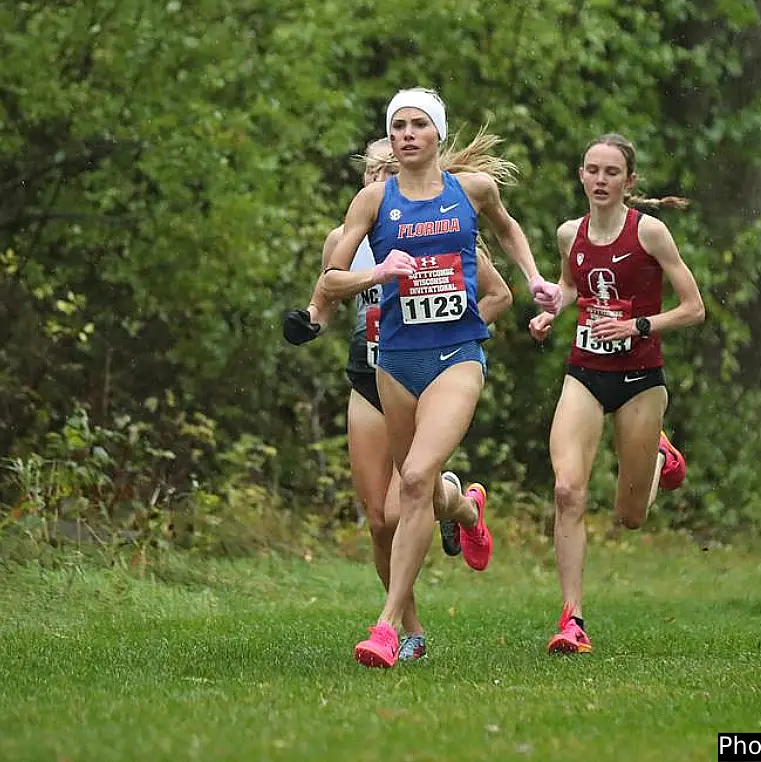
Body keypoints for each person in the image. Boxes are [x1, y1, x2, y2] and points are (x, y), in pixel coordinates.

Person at [321, 87, 561, 668]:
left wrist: (521, 288)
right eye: (395, 129)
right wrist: (368, 278)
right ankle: (457, 525)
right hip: (384, 368)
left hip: (451, 356)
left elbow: (503, 247)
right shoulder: (363, 216)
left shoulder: (462, 202)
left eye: (416, 128)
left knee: (416, 480)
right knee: (398, 507)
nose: (404, 139)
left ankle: (386, 629)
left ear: (435, 139)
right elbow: (327, 283)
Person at [282, 133, 517, 662]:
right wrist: (313, 321)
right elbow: (326, 295)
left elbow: (499, 294)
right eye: (373, 169)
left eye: (388, 170)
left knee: (411, 492)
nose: (380, 179)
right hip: (369, 380)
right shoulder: (344, 236)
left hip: (428, 370)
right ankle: (411, 629)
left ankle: (459, 510)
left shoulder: (441, 227)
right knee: (379, 519)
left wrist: (459, 328)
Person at [528, 133, 706, 655]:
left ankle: (657, 452)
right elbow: (570, 285)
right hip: (584, 372)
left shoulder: (650, 233)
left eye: (611, 172)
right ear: (581, 176)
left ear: (629, 182)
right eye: (592, 170)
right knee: (567, 490)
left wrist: (639, 327)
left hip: (640, 380)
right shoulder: (569, 234)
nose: (600, 180)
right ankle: (572, 620)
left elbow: (694, 308)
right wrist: (550, 310)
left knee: (630, 517)